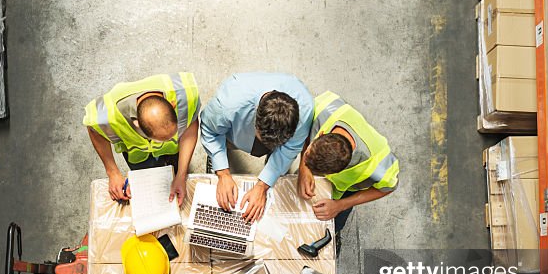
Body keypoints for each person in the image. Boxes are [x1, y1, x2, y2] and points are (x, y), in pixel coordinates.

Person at [200, 72, 313, 222]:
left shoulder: (305, 109)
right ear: (255, 122)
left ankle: (271, 169)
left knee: (279, 161)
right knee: (224, 144)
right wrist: (223, 173)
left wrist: (262, 186)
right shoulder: (228, 105)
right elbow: (209, 130)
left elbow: (290, 149)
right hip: (235, 132)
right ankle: (219, 158)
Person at [85, 73, 201, 204]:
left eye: (172, 135)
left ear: (173, 105)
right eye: (161, 140)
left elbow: (190, 125)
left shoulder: (185, 97)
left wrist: (181, 174)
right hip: (139, 155)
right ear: (137, 125)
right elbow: (94, 130)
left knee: (176, 165)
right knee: (147, 176)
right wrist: (113, 172)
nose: (168, 141)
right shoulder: (107, 115)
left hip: (174, 152)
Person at [298, 91, 400, 234]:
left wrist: (340, 205)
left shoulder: (378, 165)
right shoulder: (323, 107)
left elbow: (387, 188)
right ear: (320, 134)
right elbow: (303, 132)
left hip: (344, 193)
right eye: (309, 152)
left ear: (338, 172)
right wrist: (304, 169)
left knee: (333, 224)